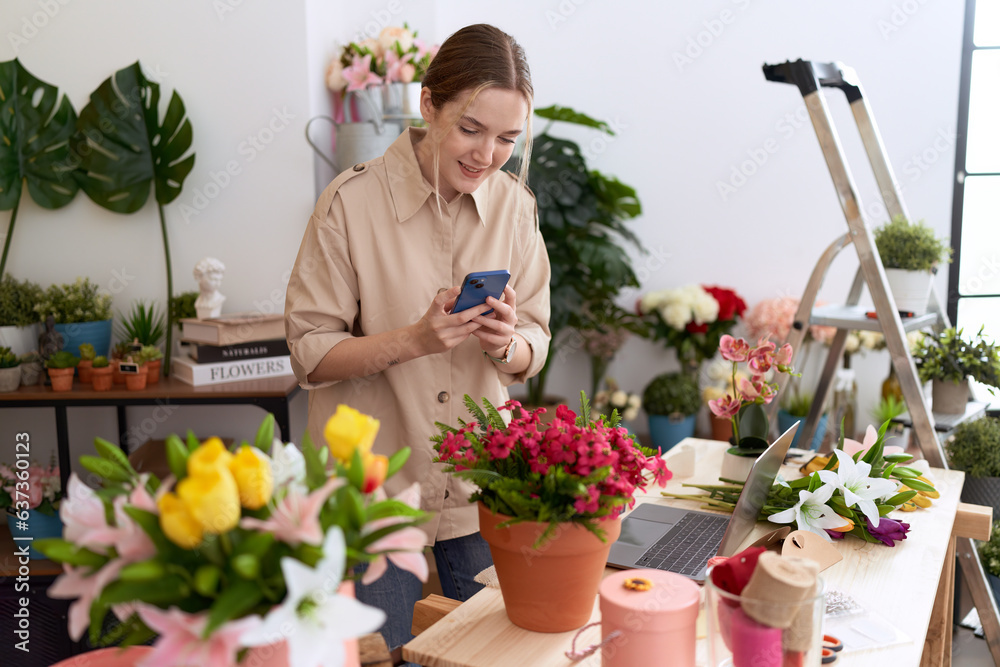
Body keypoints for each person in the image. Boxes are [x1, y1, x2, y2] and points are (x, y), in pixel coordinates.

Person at [284, 23, 551, 656]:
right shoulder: (348, 204)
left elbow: (535, 339)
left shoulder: (515, 207)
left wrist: (504, 343)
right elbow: (309, 352)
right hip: (372, 498)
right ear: (428, 103)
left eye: (508, 138)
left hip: (479, 486)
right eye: (470, 128)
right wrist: (412, 339)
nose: (487, 154)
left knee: (488, 654)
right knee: (377, 655)